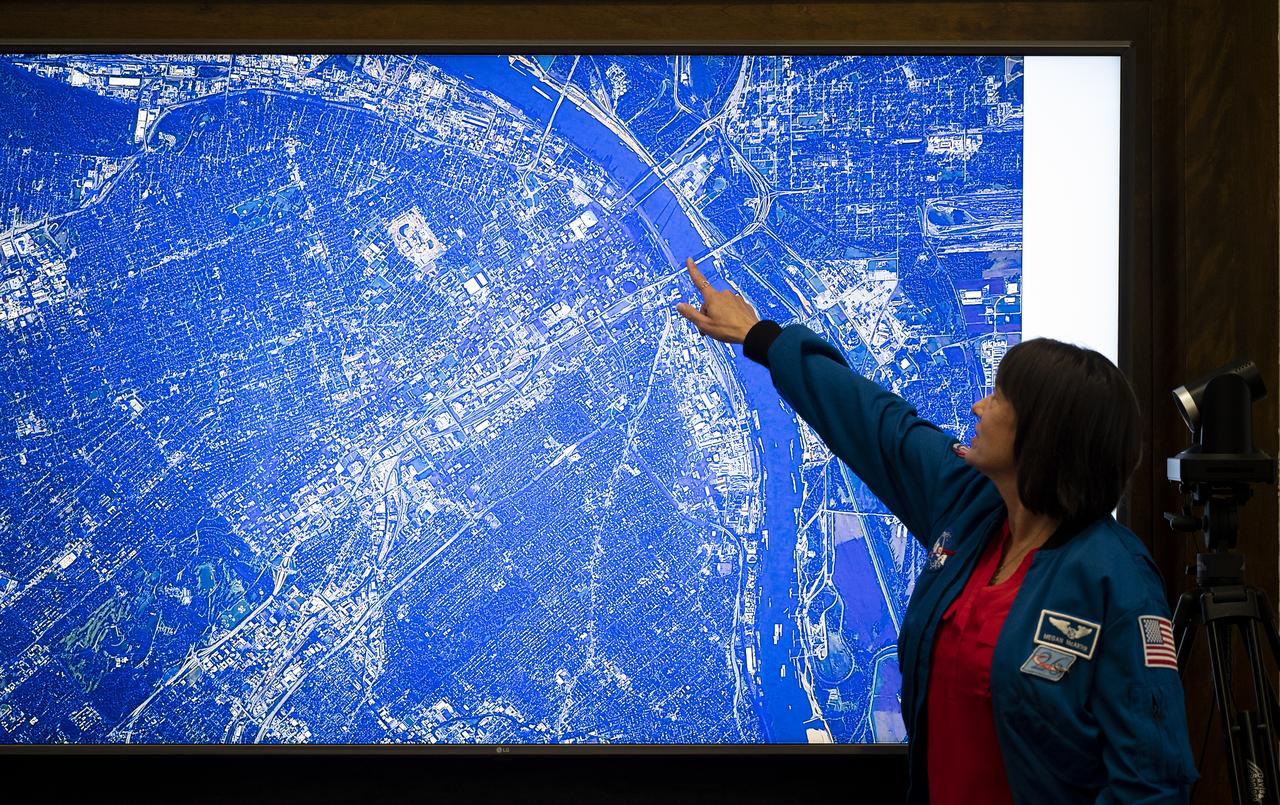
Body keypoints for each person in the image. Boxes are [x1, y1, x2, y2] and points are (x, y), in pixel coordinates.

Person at [675, 257, 1199, 804]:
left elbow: (1151, 784)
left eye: (998, 399)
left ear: (1039, 436)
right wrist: (761, 338)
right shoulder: (971, 508)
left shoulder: (1115, 578)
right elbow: (875, 422)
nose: (978, 406)